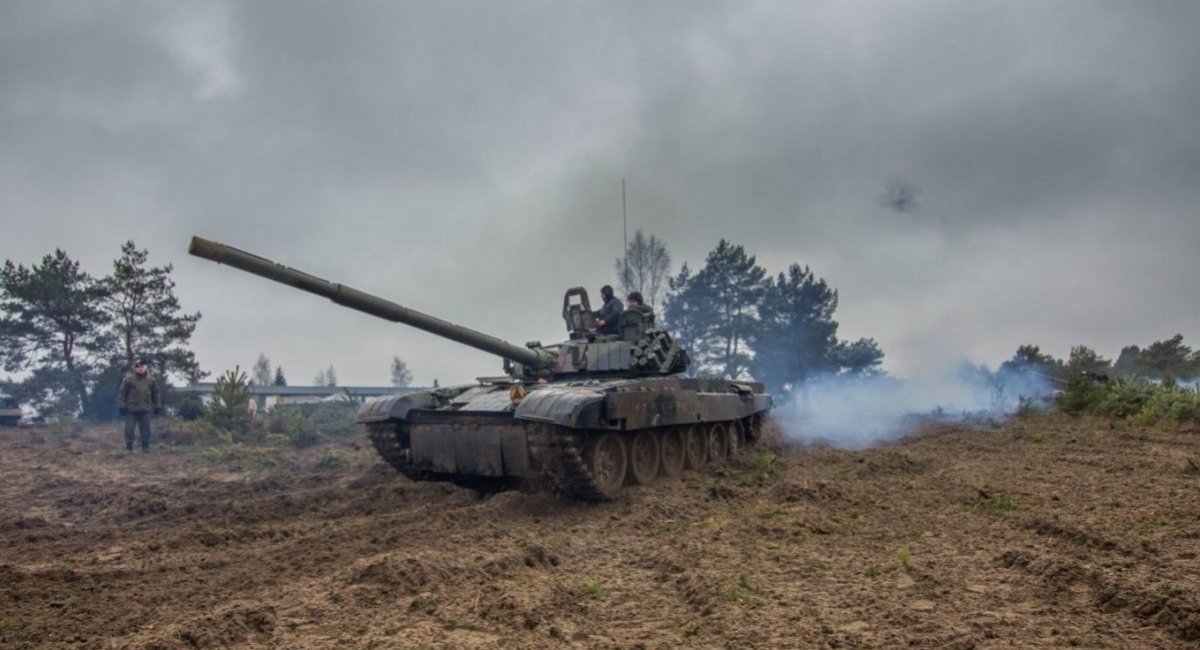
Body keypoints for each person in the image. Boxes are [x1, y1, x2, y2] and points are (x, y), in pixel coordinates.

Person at [118, 358, 161, 452]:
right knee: (129, 430)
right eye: (138, 366)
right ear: (135, 368)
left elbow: (156, 393)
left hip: (145, 409)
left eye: (142, 366)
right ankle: (129, 447)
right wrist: (121, 405)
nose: (140, 368)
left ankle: (145, 448)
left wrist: (157, 405)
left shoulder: (151, 381)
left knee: (146, 430)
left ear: (146, 367)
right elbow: (122, 393)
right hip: (131, 410)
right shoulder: (129, 380)